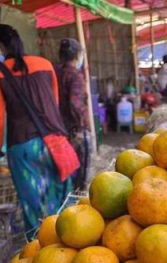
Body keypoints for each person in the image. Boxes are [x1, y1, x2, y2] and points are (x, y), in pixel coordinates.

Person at [0, 24, 72, 235]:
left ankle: (40, 253)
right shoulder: (45, 64)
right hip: (55, 142)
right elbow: (53, 104)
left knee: (34, 207)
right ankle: (67, 244)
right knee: (63, 204)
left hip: (23, 147)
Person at [55, 38, 91, 191]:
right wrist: (83, 125)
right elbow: (75, 104)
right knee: (79, 175)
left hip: (58, 130)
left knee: (64, 171)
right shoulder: (75, 75)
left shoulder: (56, 72)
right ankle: (76, 205)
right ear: (77, 55)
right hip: (75, 131)